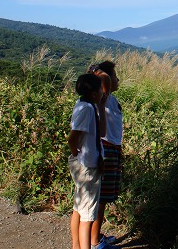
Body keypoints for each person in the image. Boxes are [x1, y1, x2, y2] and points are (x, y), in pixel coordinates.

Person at [68, 73, 107, 249]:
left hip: (85, 164)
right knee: (87, 217)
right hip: (87, 167)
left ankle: (76, 246)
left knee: (78, 208)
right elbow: (73, 137)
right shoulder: (87, 109)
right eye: (100, 89)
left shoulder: (86, 105)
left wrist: (101, 107)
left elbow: (101, 132)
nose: (103, 92)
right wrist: (77, 154)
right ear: (93, 93)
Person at [89, 61, 123, 249]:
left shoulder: (109, 100)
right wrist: (96, 69)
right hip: (107, 148)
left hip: (112, 149)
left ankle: (96, 236)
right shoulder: (103, 96)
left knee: (103, 197)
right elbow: (105, 79)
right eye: (115, 76)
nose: (117, 80)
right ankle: (95, 243)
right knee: (100, 199)